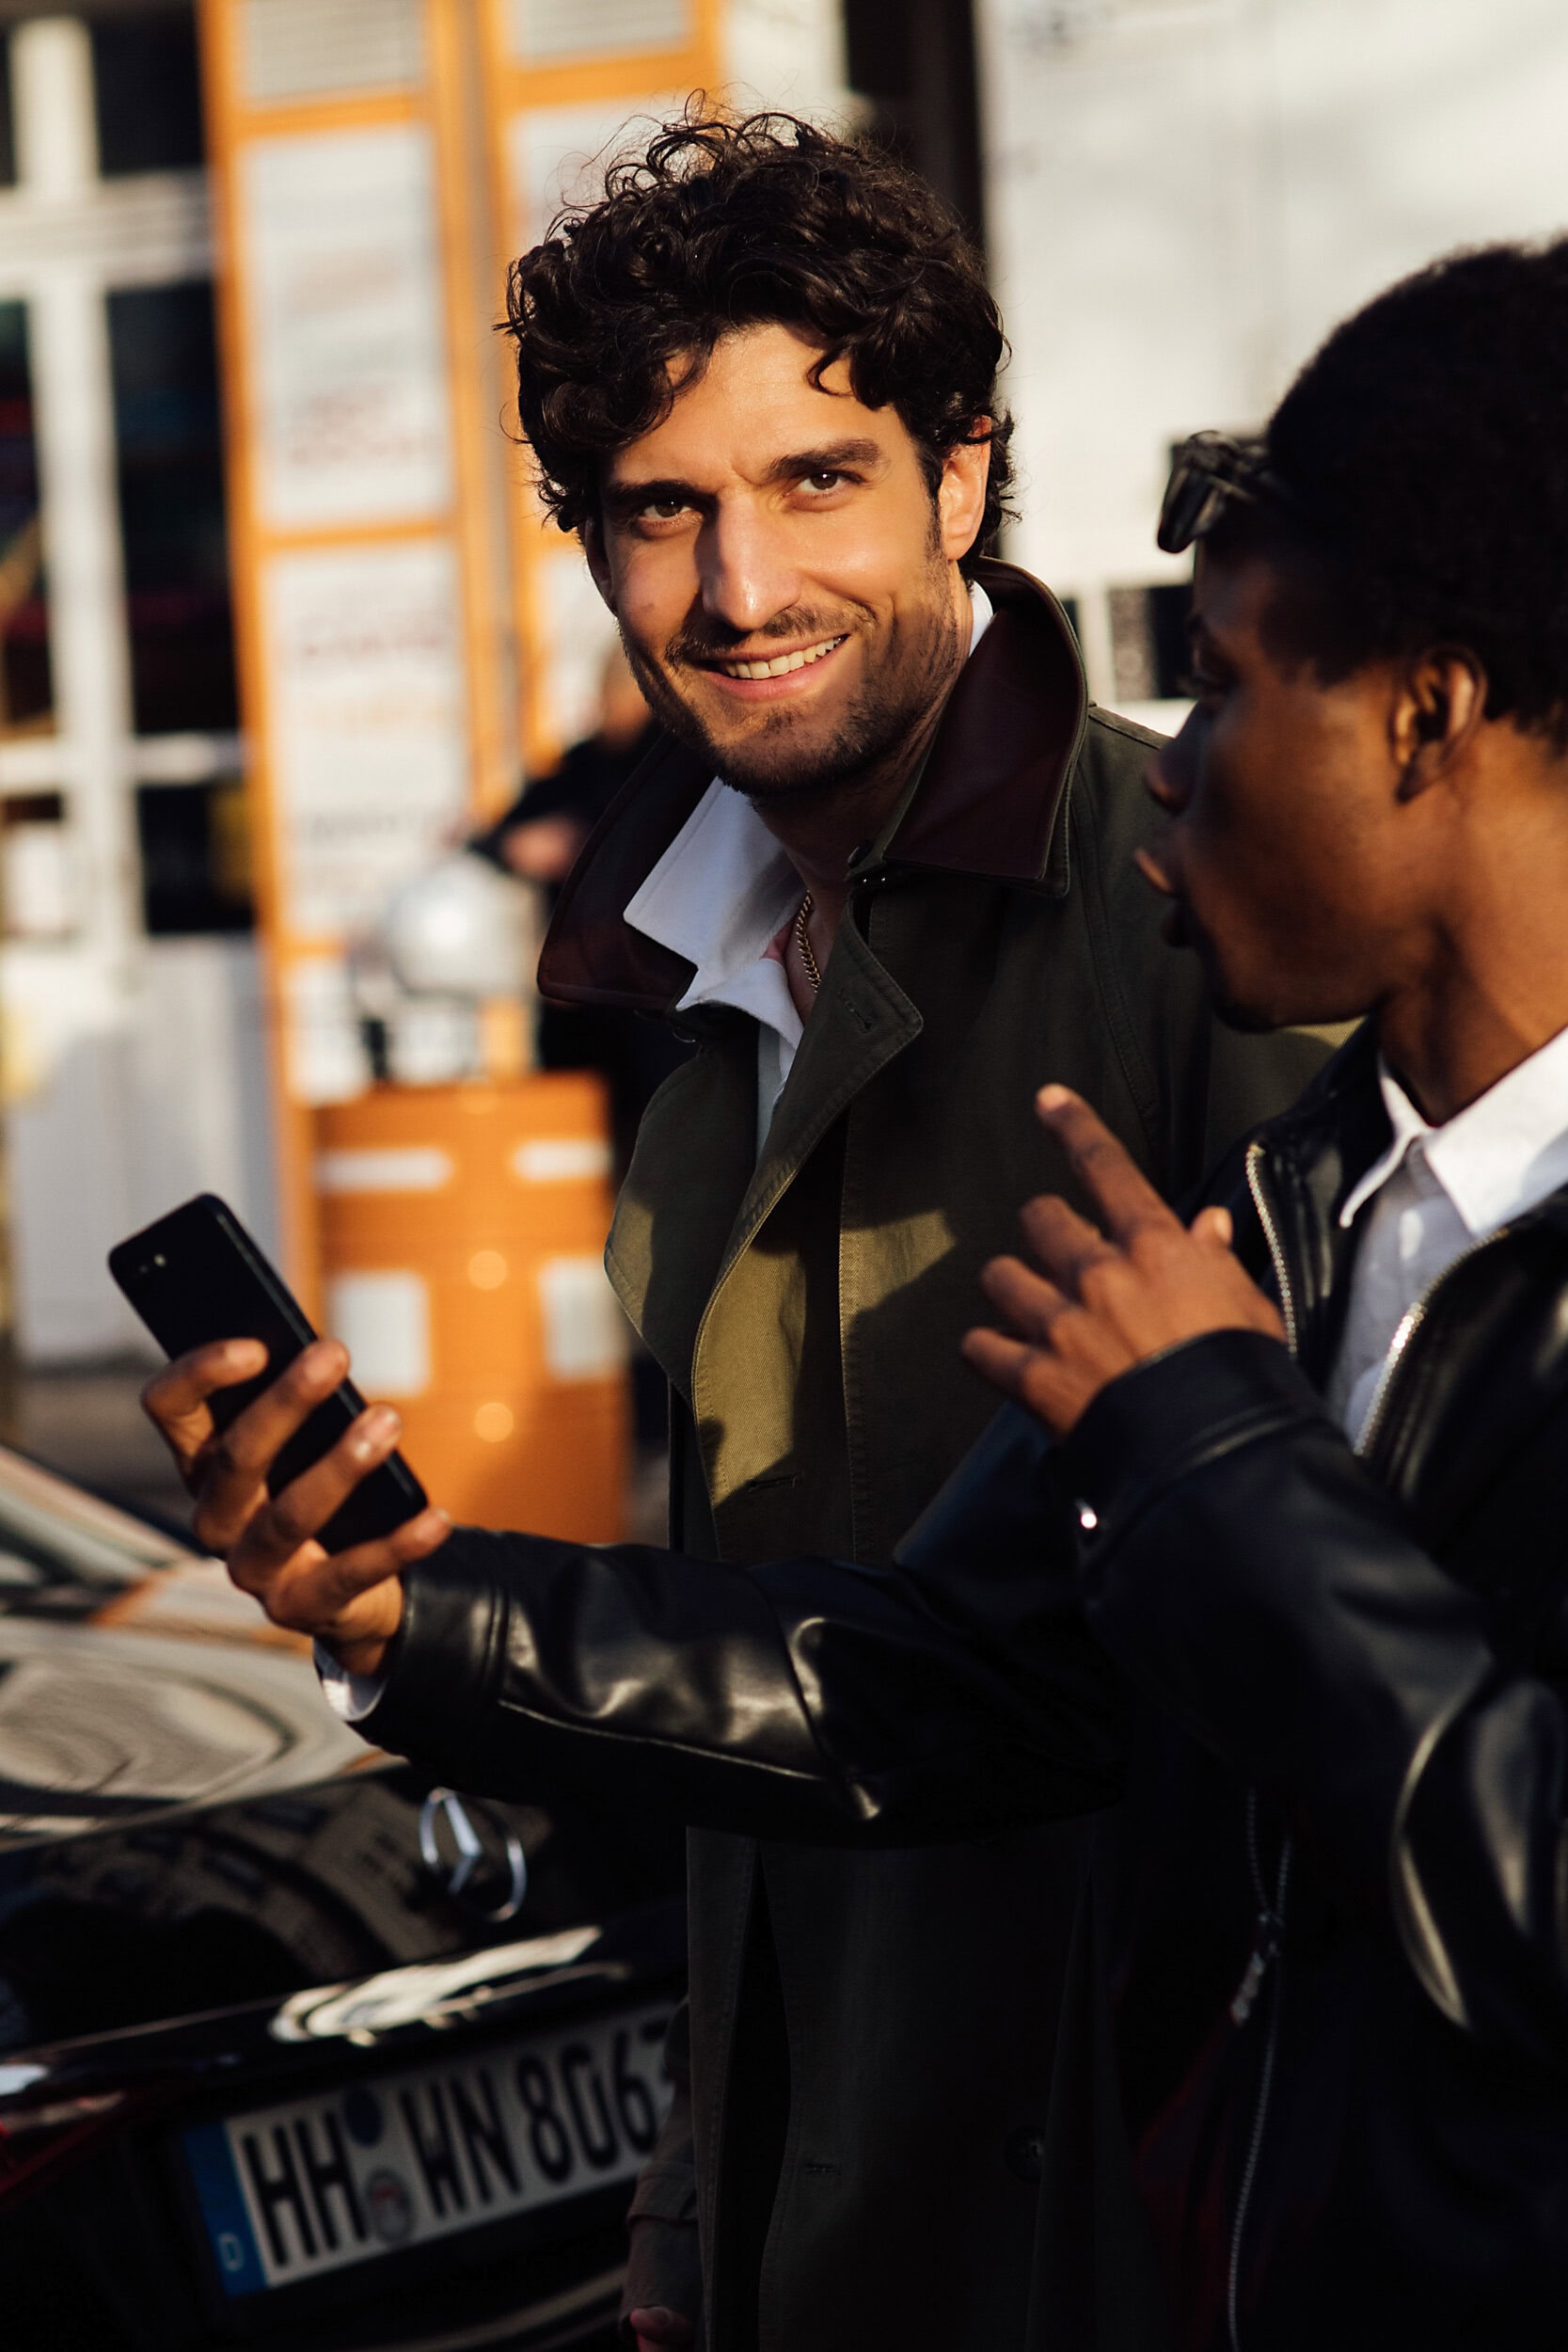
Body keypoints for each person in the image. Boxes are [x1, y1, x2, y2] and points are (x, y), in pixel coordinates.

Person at [143, 115, 1322, 2352]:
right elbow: (752, 1727)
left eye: (812, 481)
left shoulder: (1209, 912)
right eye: (659, 510)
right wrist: (700, 2177)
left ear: (962, 476)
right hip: (820, 2219)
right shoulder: (692, 984)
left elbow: (1205, 1684)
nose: (738, 590)